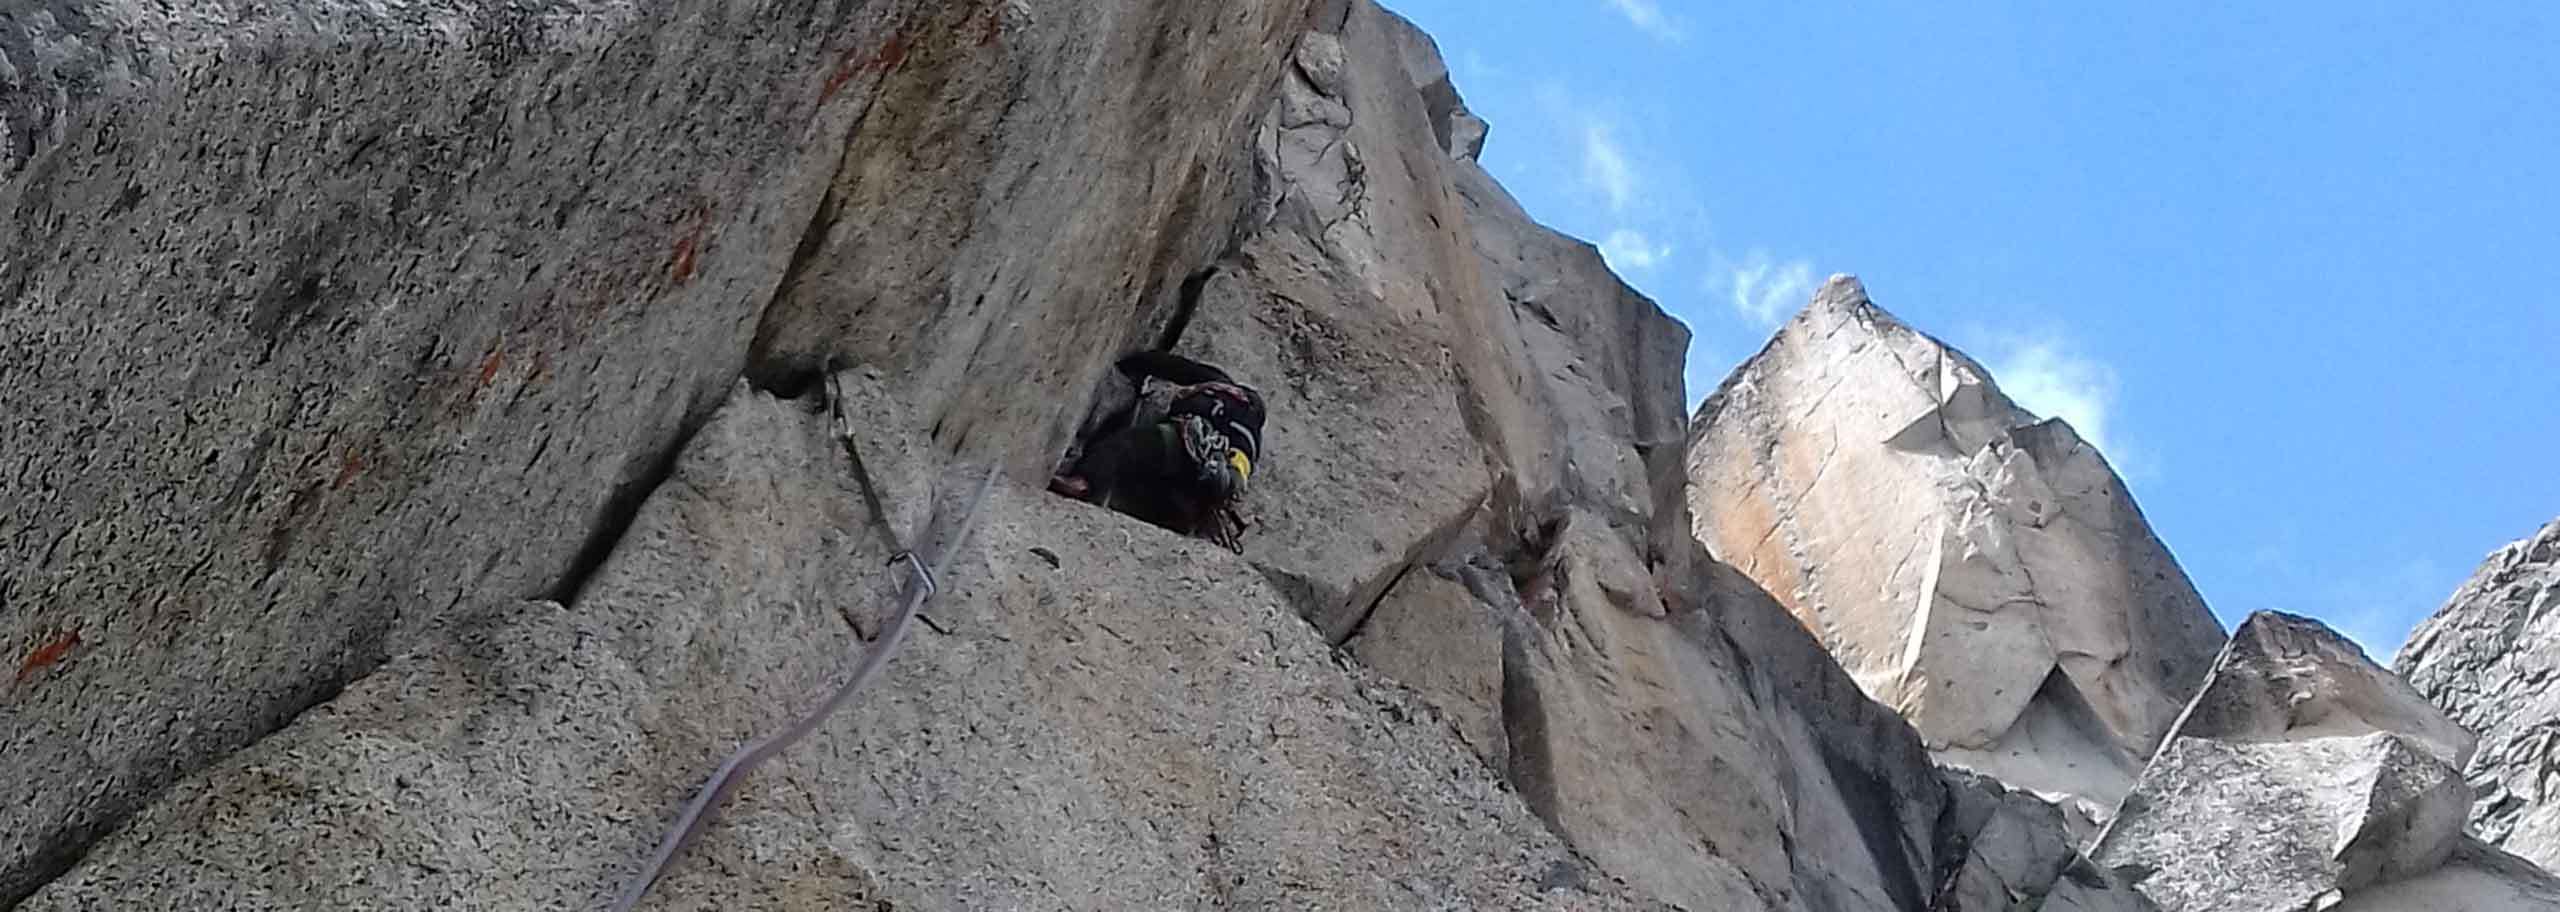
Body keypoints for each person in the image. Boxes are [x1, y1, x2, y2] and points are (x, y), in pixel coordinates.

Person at [1052, 351, 1265, 550]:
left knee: (1125, 446)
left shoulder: (1221, 387)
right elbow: (1239, 475)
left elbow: (1171, 365)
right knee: (1174, 509)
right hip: (1212, 486)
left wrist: (1131, 364)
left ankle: (1083, 483)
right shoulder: (1252, 440)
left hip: (1185, 441)